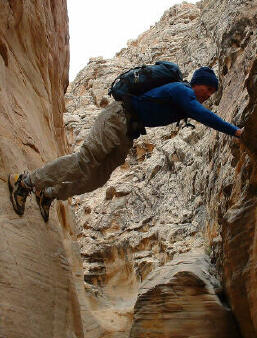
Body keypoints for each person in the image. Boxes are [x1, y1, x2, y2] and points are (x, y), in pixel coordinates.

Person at [8, 66, 243, 222]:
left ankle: (48, 194)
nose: (208, 95)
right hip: (117, 118)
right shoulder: (182, 91)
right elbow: (202, 114)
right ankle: (26, 182)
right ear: (197, 82)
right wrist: (235, 131)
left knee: (97, 178)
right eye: (208, 88)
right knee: (85, 160)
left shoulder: (184, 98)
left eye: (212, 92)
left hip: (127, 134)